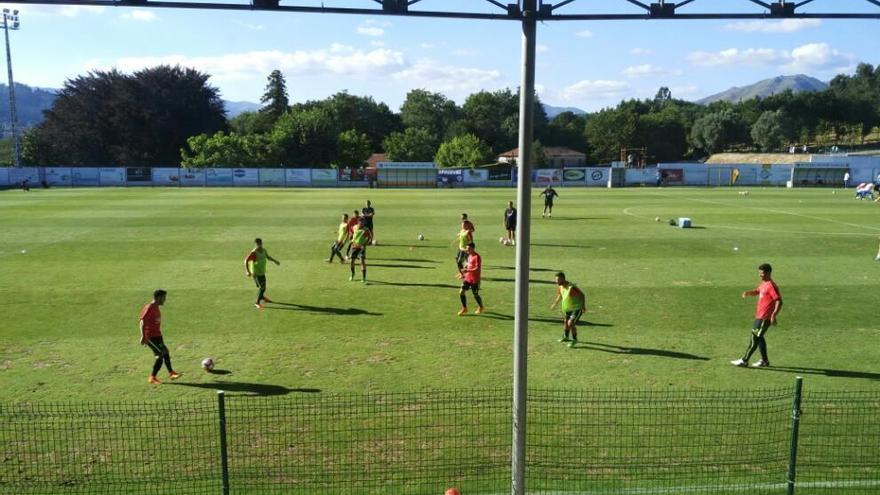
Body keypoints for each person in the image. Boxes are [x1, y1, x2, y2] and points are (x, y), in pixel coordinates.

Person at [731, 263, 783, 368]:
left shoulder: (771, 286)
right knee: (759, 337)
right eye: (759, 273)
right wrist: (749, 293)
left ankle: (744, 360)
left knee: (754, 337)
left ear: (768, 273)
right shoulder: (764, 283)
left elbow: (779, 301)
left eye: (762, 273)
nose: (760, 275)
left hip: (765, 318)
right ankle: (764, 361)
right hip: (759, 316)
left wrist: (773, 315)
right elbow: (758, 291)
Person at [139, 289, 181, 384]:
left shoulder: (156, 307)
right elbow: (142, 321)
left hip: (157, 335)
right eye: (164, 298)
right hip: (150, 337)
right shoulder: (149, 307)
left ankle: (171, 373)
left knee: (165, 352)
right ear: (158, 297)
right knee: (160, 355)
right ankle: (152, 377)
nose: (165, 300)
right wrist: (143, 336)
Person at [549, 272, 586, 348]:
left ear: (563, 279)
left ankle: (575, 339)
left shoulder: (571, 287)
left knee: (570, 323)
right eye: (556, 280)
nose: (556, 281)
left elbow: (582, 295)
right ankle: (566, 337)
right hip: (568, 308)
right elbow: (560, 295)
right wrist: (554, 304)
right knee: (566, 322)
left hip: (577, 308)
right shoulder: (560, 286)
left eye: (558, 280)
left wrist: (583, 306)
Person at [245, 238, 281, 309]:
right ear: (255, 244)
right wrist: (247, 271)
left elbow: (267, 257)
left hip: (262, 272)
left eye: (260, 243)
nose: (259, 245)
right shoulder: (254, 253)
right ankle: (256, 302)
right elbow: (246, 261)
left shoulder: (264, 250)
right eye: (257, 244)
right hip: (256, 273)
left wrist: (275, 261)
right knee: (262, 287)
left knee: (262, 287)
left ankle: (262, 297)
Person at [457, 242, 484, 316]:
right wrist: (464, 271)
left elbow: (477, 268)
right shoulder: (469, 256)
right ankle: (464, 308)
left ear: (472, 248)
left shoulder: (477, 257)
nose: (467, 249)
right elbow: (469, 265)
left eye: (468, 248)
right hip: (468, 277)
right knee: (461, 292)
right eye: (466, 248)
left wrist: (467, 270)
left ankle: (481, 307)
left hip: (475, 279)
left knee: (475, 294)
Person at [349, 218, 372, 283]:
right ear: (358, 222)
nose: (362, 224)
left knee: (362, 262)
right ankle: (353, 274)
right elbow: (351, 232)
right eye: (361, 222)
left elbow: (369, 237)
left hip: (361, 248)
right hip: (354, 247)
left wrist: (365, 244)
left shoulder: (365, 230)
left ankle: (363, 278)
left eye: (363, 223)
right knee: (351, 261)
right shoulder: (354, 227)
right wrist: (351, 238)